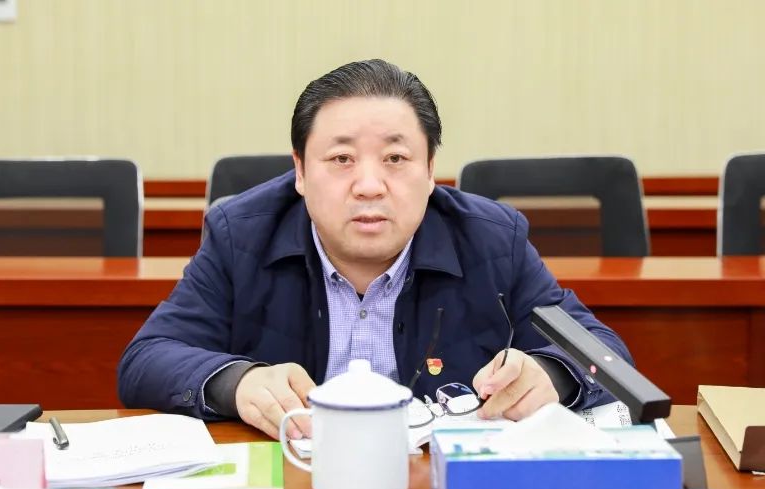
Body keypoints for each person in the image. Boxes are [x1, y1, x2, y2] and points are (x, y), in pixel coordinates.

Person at [118, 59, 633, 440]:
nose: (369, 185)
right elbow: (147, 359)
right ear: (300, 171)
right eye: (341, 159)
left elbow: (601, 353)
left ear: (430, 171)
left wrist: (552, 376)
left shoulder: (492, 239)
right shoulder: (241, 235)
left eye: (395, 158)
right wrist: (238, 382)